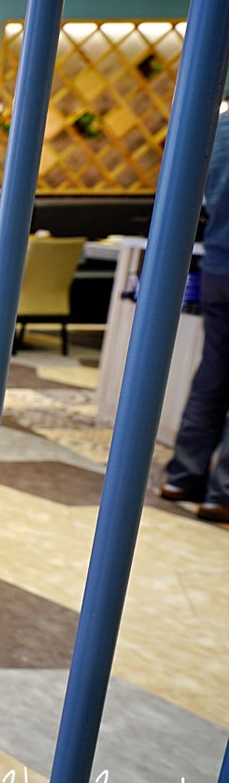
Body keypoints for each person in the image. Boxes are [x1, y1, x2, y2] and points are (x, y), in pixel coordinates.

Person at [161, 108, 229, 524]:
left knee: (214, 374)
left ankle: (183, 475)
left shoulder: (218, 124)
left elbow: (200, 196)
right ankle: (223, 492)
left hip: (219, 266)